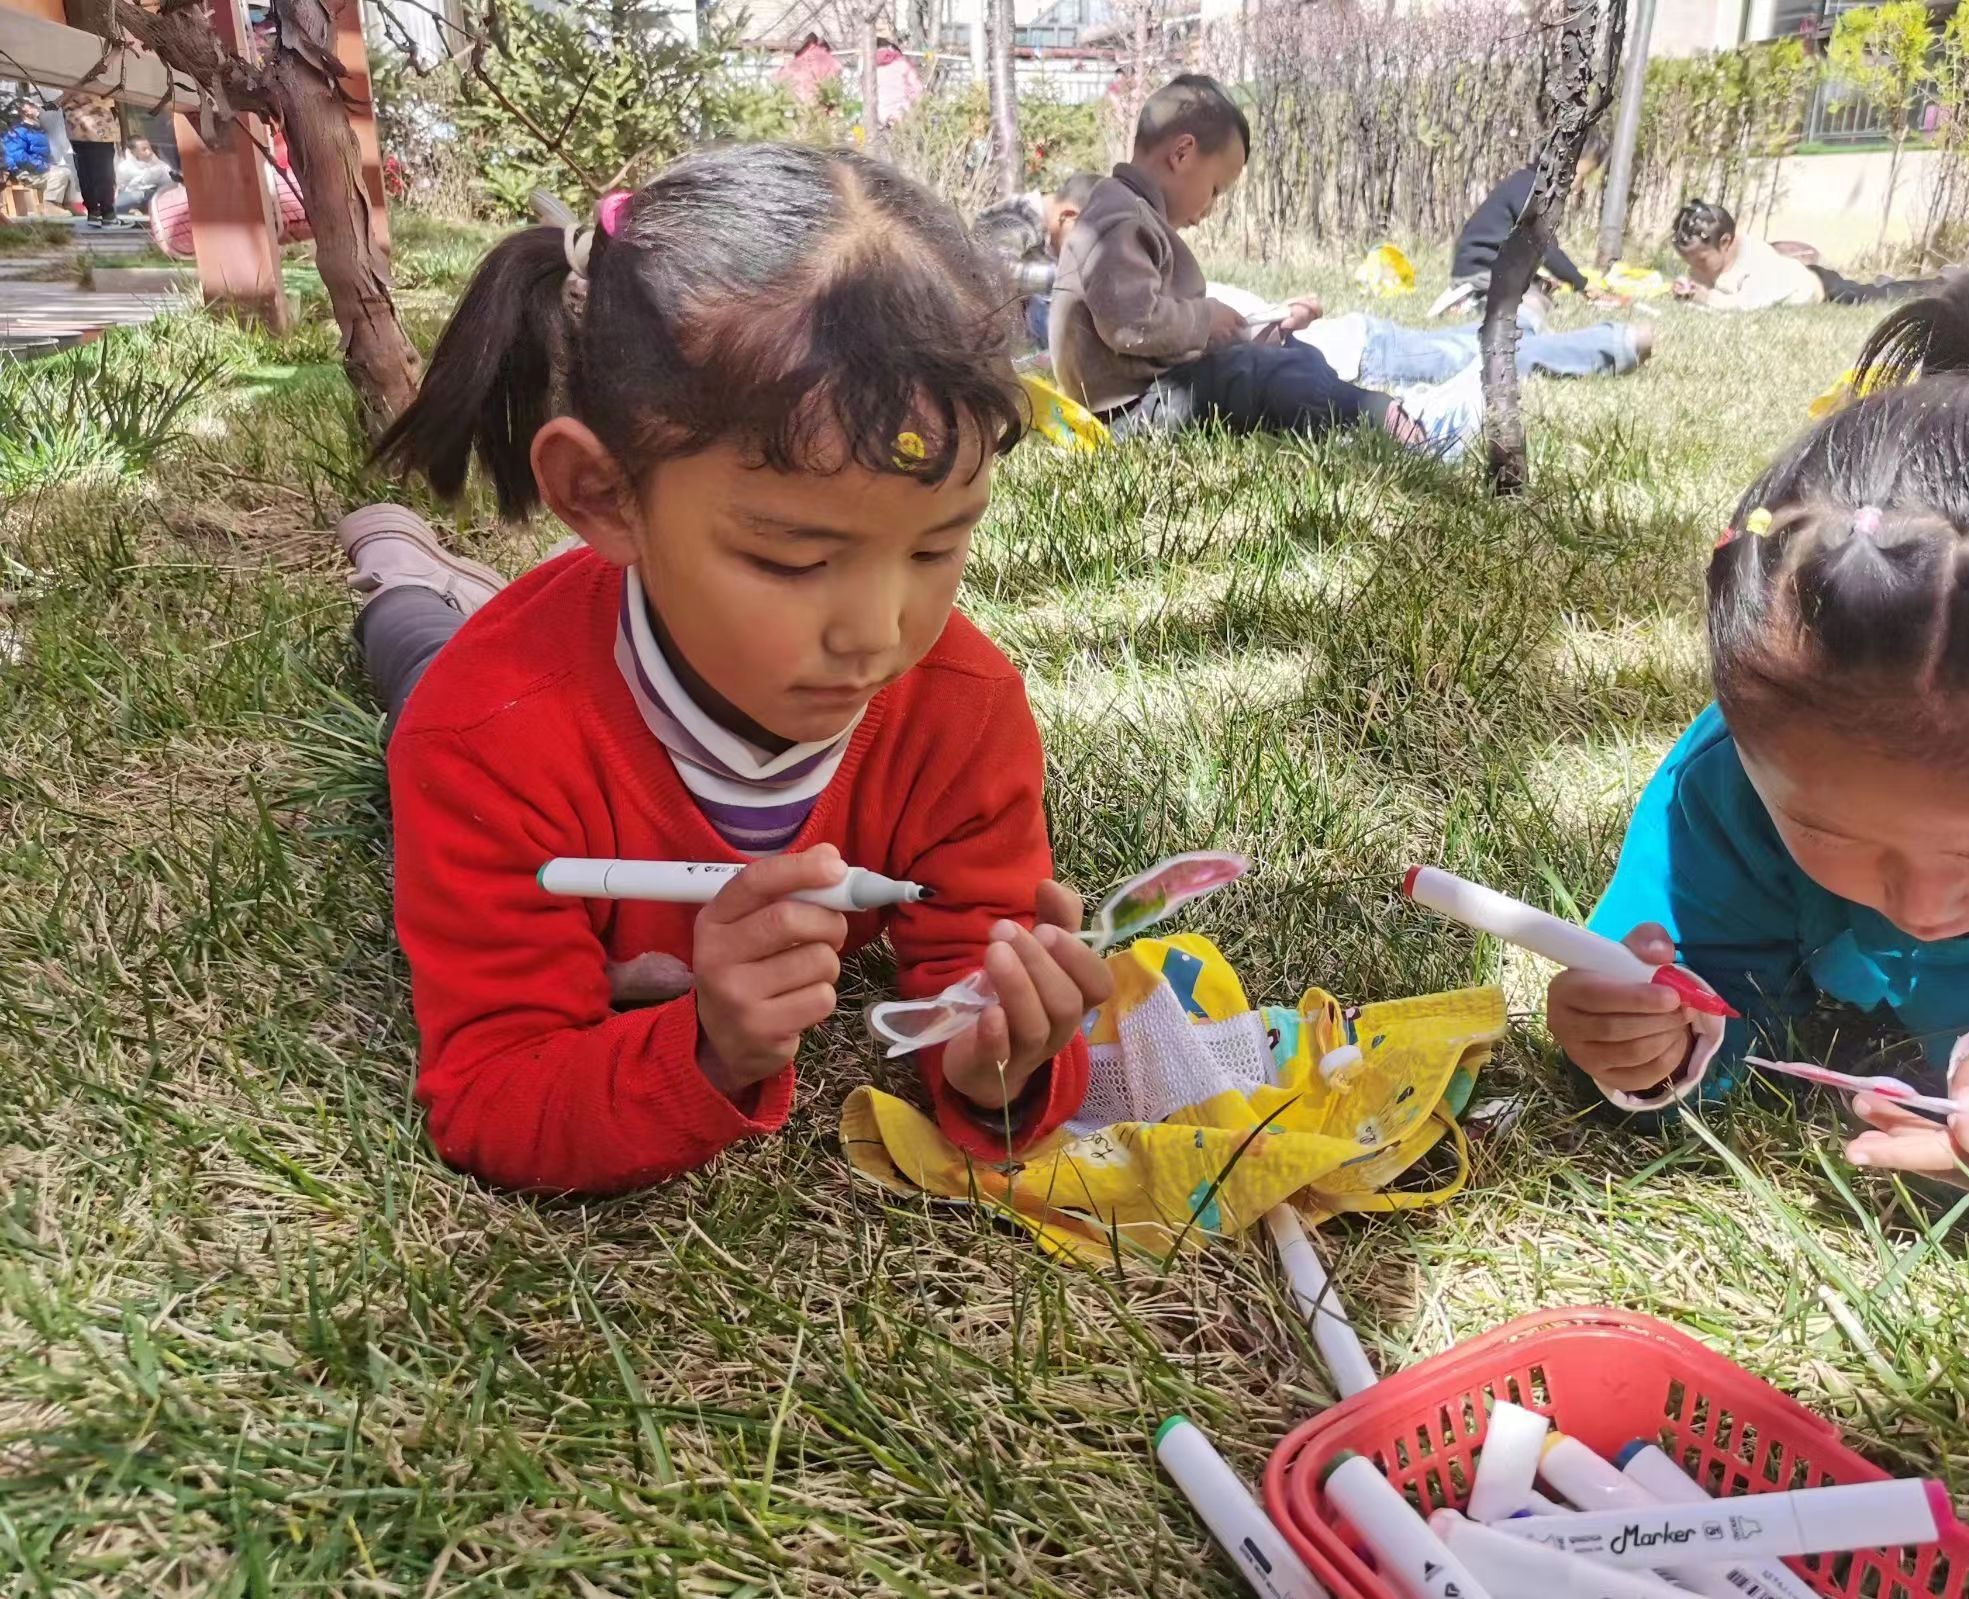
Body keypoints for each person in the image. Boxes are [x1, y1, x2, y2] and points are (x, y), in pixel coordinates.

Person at [347, 144, 1114, 1194]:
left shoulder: (962, 711)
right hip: (474, 675)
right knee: (416, 646)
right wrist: (710, 1050)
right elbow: (494, 1088)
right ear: (600, 496)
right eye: (793, 560)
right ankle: (395, 566)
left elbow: (973, 970)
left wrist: (1001, 1068)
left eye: (937, 547)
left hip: (592, 628)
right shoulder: (481, 735)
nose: (876, 634)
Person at [1546, 259, 1969, 1252]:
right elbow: (1691, 981)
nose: (1919, 905)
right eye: (1827, 833)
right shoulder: (1729, 788)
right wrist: (1649, 1044)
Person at [1051, 75, 1440, 449]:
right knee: (1259, 373)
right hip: (1126, 416)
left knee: (1283, 356)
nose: (1211, 208)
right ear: (1182, 153)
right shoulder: (1120, 218)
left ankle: (1339, 406)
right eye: (1215, 190)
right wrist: (1206, 319)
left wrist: (1254, 328)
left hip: (1146, 397)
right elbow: (1130, 325)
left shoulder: (1130, 215)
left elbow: (1164, 336)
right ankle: (1368, 413)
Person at [1204, 282, 1653, 387]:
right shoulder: (1190, 292)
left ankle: (1612, 344)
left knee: (1485, 359)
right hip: (1358, 340)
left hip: (1362, 353)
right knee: (1459, 345)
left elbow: (1256, 335)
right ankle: (1525, 317)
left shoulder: (1192, 302)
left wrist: (1286, 317)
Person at [1442, 139, 1622, 317]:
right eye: (1580, 177)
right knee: (1534, 306)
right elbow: (1546, 249)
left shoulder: (1527, 185)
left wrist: (1536, 278)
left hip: (1489, 270)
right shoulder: (1530, 191)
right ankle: (1471, 304)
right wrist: (1581, 284)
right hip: (1479, 273)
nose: (1579, 188)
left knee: (1543, 297)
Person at [1671, 199, 1939, 311]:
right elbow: (1703, 286)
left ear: (1726, 242)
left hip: (1820, 287)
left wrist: (1705, 298)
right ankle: (1888, 282)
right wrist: (1688, 289)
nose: (1695, 269)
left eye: (1700, 262)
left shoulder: (1758, 264)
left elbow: (1746, 306)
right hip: (1801, 272)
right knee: (1874, 289)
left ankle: (1936, 286)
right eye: (1689, 263)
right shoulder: (1712, 259)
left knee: (1875, 296)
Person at [974, 172, 1100, 347]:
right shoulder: (1018, 215)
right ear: (1068, 216)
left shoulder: (1049, 236)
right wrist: (1070, 279)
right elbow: (997, 272)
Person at [3, 100, 76, 214]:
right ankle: (50, 206)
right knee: (60, 173)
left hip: (38, 168)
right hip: (25, 171)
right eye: (31, 105)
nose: (36, 106)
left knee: (67, 172)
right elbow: (19, 157)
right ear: (24, 111)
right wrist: (44, 166)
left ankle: (66, 205)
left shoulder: (36, 128)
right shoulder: (17, 131)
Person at [60, 88, 118, 225]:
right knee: (103, 170)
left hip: (74, 123)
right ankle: (108, 214)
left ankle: (93, 212)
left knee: (85, 170)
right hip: (98, 122)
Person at [114, 136, 173, 215]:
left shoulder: (155, 161)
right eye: (144, 149)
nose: (149, 152)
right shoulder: (124, 167)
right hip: (133, 194)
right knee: (122, 203)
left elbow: (167, 177)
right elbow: (123, 185)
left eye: (149, 148)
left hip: (154, 193)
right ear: (133, 152)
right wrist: (151, 174)